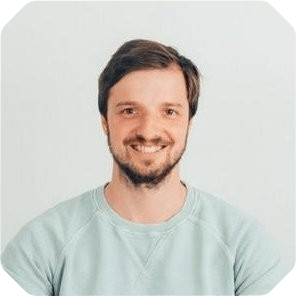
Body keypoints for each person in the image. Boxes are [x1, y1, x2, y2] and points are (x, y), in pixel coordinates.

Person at [1, 39, 290, 296]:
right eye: (129, 111)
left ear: (189, 122)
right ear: (105, 121)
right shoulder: (39, 247)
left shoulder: (246, 247)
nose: (149, 130)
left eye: (169, 112)